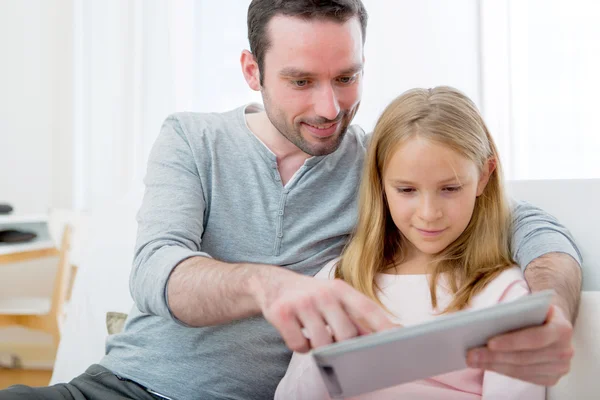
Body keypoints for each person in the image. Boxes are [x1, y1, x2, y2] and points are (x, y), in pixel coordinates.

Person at [1, 1, 581, 400]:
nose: (330, 107)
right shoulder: (192, 138)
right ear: (253, 70)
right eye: (302, 81)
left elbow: (520, 219)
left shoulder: (381, 167)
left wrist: (548, 306)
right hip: (123, 386)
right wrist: (269, 284)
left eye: (347, 77)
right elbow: (156, 270)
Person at [275, 86, 546, 399]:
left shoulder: (505, 295)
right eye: (406, 190)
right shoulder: (338, 282)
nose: (429, 214)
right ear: (380, 182)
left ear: (484, 176)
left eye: (450, 188)